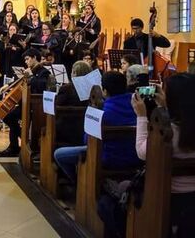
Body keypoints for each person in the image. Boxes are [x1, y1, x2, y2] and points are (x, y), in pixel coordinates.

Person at [131, 74, 195, 231]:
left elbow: (142, 152)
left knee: (122, 191)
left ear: (173, 98)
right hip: (192, 197)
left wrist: (141, 116)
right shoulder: (183, 128)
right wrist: (164, 108)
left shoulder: (169, 132)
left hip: (168, 197)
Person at [53, 71, 141, 183]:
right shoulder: (138, 106)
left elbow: (88, 141)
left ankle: (78, 182)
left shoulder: (101, 111)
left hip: (109, 157)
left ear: (104, 91)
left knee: (59, 154)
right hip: (135, 157)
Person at [0, 48, 51, 156]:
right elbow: (21, 80)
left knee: (11, 117)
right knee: (8, 116)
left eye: (28, 59)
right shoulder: (29, 70)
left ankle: (18, 145)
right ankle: (19, 142)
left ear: (35, 58)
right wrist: (8, 85)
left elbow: (42, 85)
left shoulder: (44, 72)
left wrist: (31, 76)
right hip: (25, 103)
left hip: (37, 106)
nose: (26, 62)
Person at [54, 60, 92, 145]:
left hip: (66, 129)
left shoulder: (67, 89)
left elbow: (56, 108)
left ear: (74, 73)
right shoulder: (93, 89)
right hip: (87, 128)